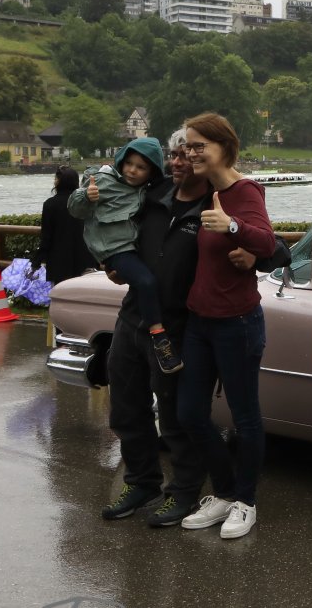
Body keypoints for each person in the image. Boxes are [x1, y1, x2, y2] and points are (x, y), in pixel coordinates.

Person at [101, 131, 289, 526]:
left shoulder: (216, 202)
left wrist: (254, 257)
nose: (178, 161)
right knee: (126, 409)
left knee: (176, 417)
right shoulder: (153, 194)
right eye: (174, 154)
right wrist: (111, 262)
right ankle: (141, 483)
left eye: (187, 154)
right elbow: (111, 222)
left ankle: (184, 492)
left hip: (177, 326)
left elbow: (277, 248)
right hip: (133, 315)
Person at [175, 113, 276, 540]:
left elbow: (269, 242)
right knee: (190, 413)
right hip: (200, 323)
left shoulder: (244, 191)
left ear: (225, 147)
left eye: (199, 146)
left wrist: (233, 227)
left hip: (237, 323)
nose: (191, 152)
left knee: (245, 417)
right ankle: (224, 491)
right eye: (188, 145)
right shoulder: (204, 190)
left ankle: (245, 502)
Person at [67, 138, 181, 374]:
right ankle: (159, 338)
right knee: (146, 282)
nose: (132, 170)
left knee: (148, 280)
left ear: (151, 172)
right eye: (129, 163)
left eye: (141, 167)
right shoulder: (103, 180)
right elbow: (76, 210)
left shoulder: (145, 189)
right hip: (114, 249)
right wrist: (86, 196)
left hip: (130, 247)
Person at [32, 165, 95, 286]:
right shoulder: (85, 203)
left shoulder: (50, 204)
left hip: (59, 263)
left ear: (59, 182)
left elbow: (46, 238)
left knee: (61, 295)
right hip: (85, 260)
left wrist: (36, 262)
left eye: (56, 178)